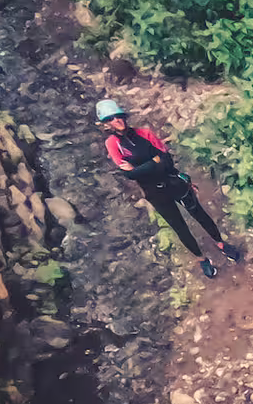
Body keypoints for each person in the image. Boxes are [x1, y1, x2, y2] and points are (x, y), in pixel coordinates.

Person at [98, 99, 242, 279]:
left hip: (173, 181)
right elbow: (129, 175)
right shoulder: (113, 144)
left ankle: (221, 244)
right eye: (111, 119)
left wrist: (141, 168)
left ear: (124, 117)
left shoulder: (144, 134)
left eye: (118, 116)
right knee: (179, 227)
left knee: (198, 213)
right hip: (154, 192)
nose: (117, 121)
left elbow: (166, 161)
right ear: (106, 124)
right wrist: (154, 162)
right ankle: (202, 259)